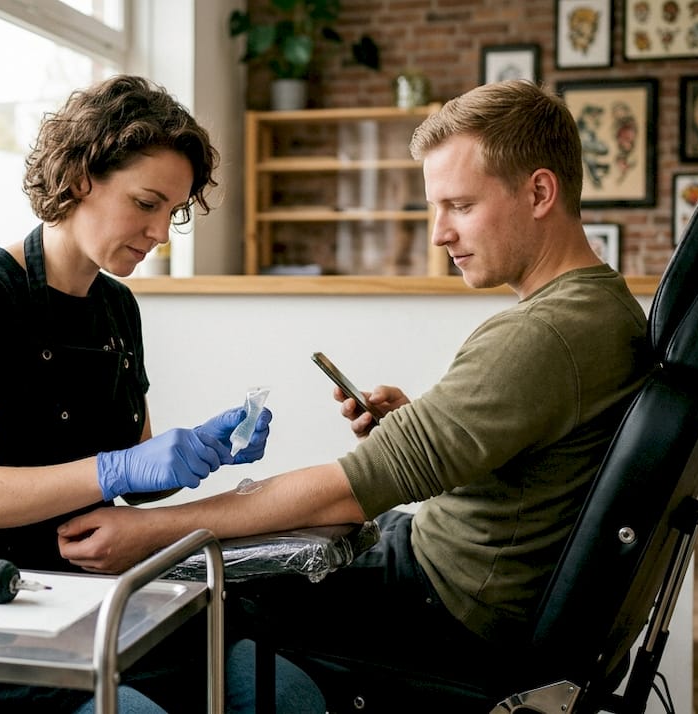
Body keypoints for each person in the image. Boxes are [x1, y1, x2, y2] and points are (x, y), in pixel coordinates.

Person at [55, 79, 652, 692]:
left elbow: (345, 492)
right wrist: (418, 426)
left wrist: (152, 533)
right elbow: (537, 463)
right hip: (438, 563)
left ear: (540, 192)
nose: (439, 234)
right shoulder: (599, 311)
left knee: (176, 606)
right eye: (434, 208)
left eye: (461, 206)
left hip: (442, 607)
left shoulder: (544, 335)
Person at [0, 74, 320, 713]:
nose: (160, 233)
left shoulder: (116, 307)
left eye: (171, 212)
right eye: (146, 203)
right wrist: (118, 467)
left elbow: (135, 474)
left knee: (285, 697)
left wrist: (200, 451)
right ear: (80, 177)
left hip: (91, 587)